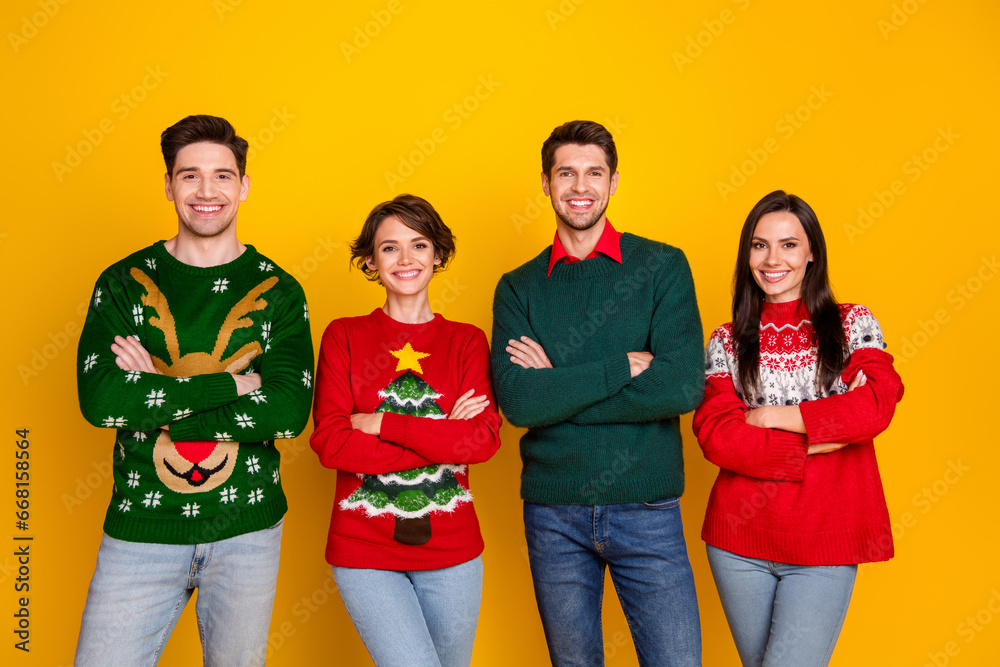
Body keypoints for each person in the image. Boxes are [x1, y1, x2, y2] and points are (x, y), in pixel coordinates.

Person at [74, 114, 314, 666]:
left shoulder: (279, 291)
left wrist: (157, 389)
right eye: (189, 176)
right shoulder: (123, 283)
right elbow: (101, 401)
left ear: (244, 186)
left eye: (222, 176)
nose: (207, 191)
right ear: (168, 185)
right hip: (141, 526)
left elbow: (286, 411)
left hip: (246, 531)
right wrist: (232, 384)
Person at [490, 120, 705, 666]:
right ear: (545, 183)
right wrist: (620, 368)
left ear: (613, 182)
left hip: (648, 504)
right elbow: (519, 403)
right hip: (553, 511)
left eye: (593, 173)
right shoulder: (518, 286)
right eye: (566, 173)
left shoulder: (662, 267)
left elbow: (681, 385)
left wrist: (557, 388)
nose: (579, 186)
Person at [693, 190, 904, 666]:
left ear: (812, 254)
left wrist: (773, 417)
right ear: (746, 254)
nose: (773, 259)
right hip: (737, 543)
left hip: (825, 540)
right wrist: (825, 437)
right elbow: (717, 436)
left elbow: (876, 406)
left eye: (789, 245)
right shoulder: (726, 340)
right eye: (759, 245)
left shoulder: (853, 324)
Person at [310, 194, 501, 667]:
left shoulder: (466, 341)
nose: (406, 259)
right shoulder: (344, 336)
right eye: (389, 248)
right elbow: (331, 443)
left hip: (455, 554)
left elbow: (482, 441)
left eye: (419, 245)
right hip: (363, 551)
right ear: (371, 261)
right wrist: (441, 438)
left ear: (438, 254)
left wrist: (381, 423)